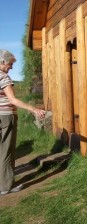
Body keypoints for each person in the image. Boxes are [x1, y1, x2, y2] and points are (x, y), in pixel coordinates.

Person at [0, 49, 45, 195]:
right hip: (6, 117)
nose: (11, 67)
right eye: (10, 64)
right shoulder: (4, 77)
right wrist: (34, 109)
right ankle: (6, 187)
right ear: (2, 62)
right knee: (6, 151)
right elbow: (12, 100)